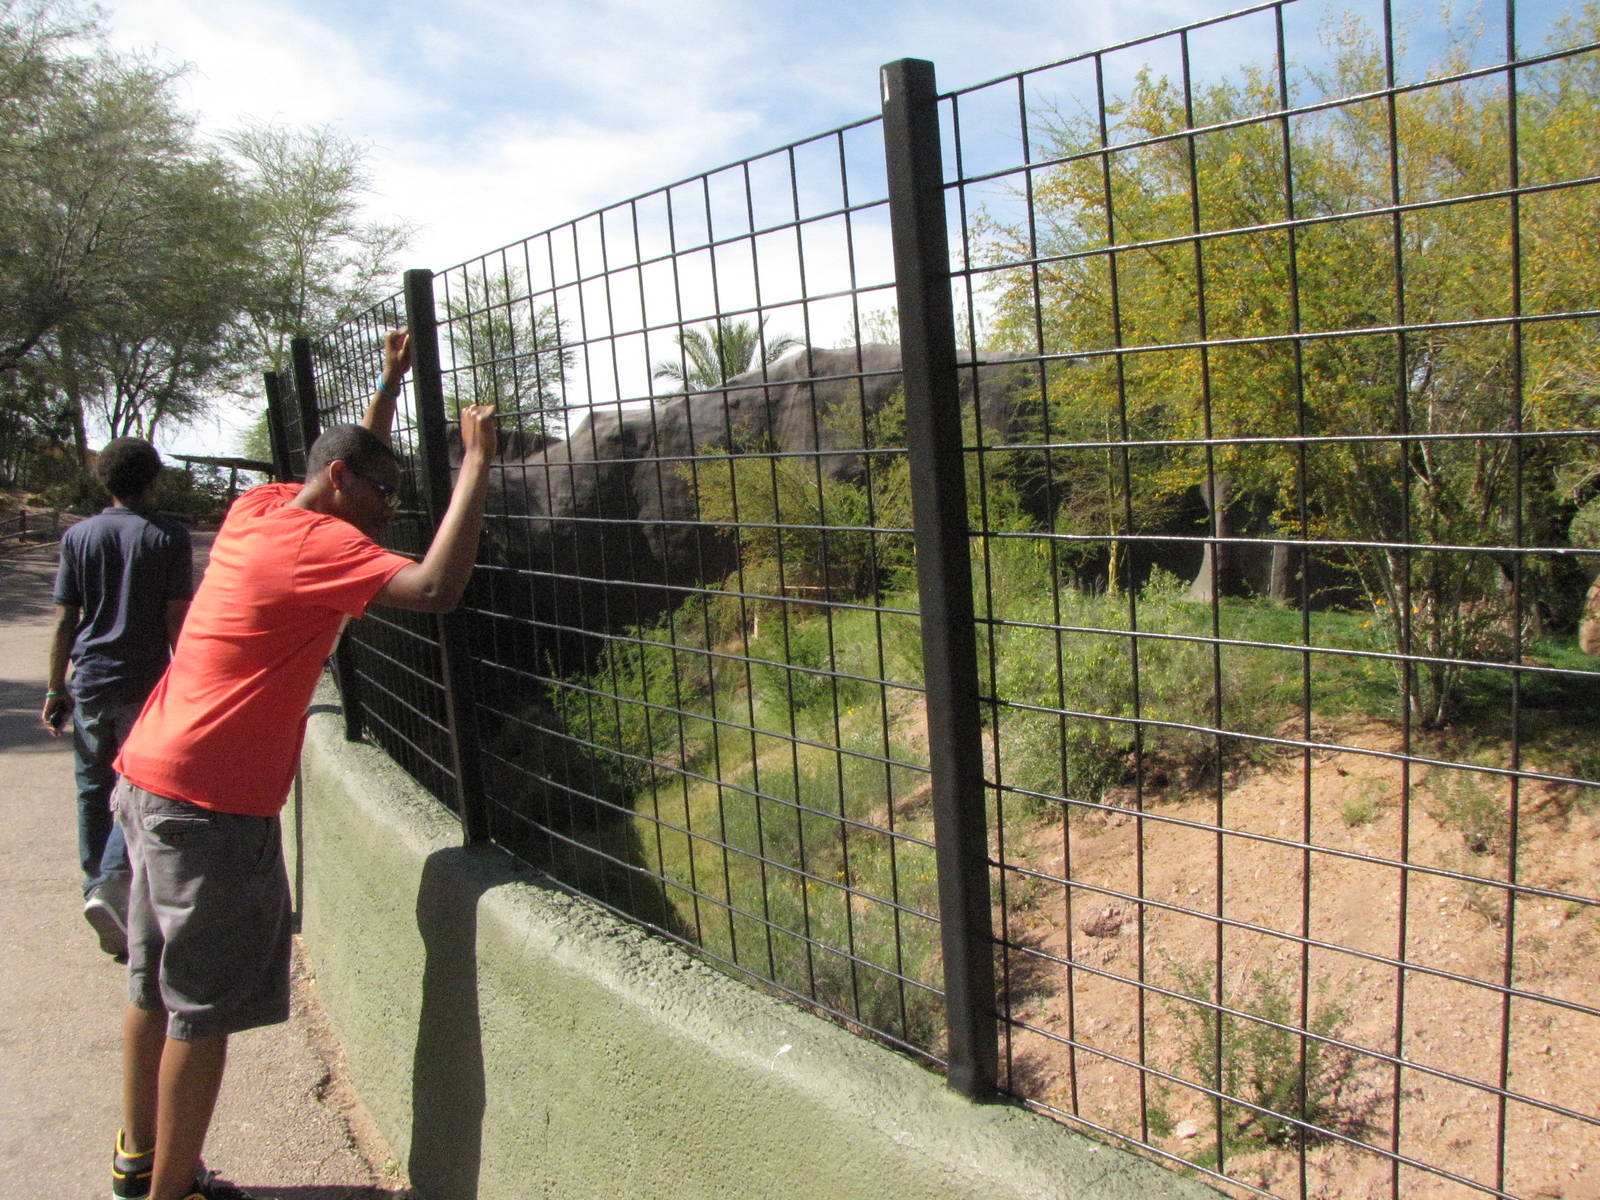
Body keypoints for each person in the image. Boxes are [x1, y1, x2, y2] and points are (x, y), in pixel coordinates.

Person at [106, 328, 499, 1200]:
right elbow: (436, 589)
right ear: (340, 487)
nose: (394, 508)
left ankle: (137, 1160)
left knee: (150, 984)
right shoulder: (326, 549)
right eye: (387, 494)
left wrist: (390, 389)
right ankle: (172, 1193)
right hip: (210, 804)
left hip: (147, 777)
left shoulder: (263, 511)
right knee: (200, 1014)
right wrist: (475, 463)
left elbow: (346, 459)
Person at [42, 437, 194, 960]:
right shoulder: (168, 536)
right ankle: (111, 883)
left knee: (92, 788)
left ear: (106, 482)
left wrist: (54, 685)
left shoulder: (79, 536)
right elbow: (177, 615)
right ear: (153, 479)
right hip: (144, 683)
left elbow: (66, 618)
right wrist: (187, 675)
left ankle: (95, 890)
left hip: (90, 682)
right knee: (135, 788)